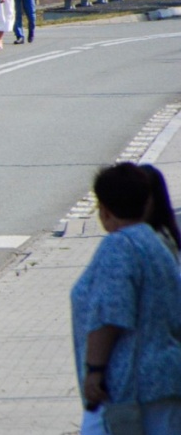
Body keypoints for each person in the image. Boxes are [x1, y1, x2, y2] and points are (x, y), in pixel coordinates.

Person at [70, 163, 181, 435]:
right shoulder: (157, 243)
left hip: (127, 384)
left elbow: (110, 315)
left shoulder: (119, 246)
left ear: (104, 210)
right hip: (164, 378)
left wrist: (94, 370)